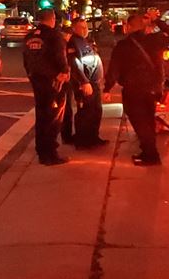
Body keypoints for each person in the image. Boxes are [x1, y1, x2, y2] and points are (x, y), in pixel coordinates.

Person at [104, 13, 165, 165]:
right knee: (149, 121)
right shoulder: (154, 40)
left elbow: (114, 69)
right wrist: (156, 20)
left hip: (133, 89)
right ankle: (149, 151)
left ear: (129, 26)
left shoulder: (123, 46)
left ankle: (150, 155)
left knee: (140, 122)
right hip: (151, 88)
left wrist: (107, 88)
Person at [23, 9, 70, 165]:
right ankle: (49, 153)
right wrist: (64, 71)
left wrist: (31, 75)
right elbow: (60, 56)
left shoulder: (30, 36)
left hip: (37, 81)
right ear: (53, 19)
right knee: (53, 118)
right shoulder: (54, 35)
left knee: (41, 116)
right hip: (53, 82)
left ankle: (41, 149)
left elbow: (26, 59)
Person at [66, 16, 108, 149]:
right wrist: (83, 82)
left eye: (86, 27)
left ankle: (93, 137)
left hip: (94, 83)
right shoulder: (73, 43)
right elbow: (74, 64)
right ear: (74, 28)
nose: (85, 30)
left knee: (95, 111)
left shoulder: (86, 41)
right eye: (82, 27)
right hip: (85, 83)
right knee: (85, 113)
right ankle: (82, 141)